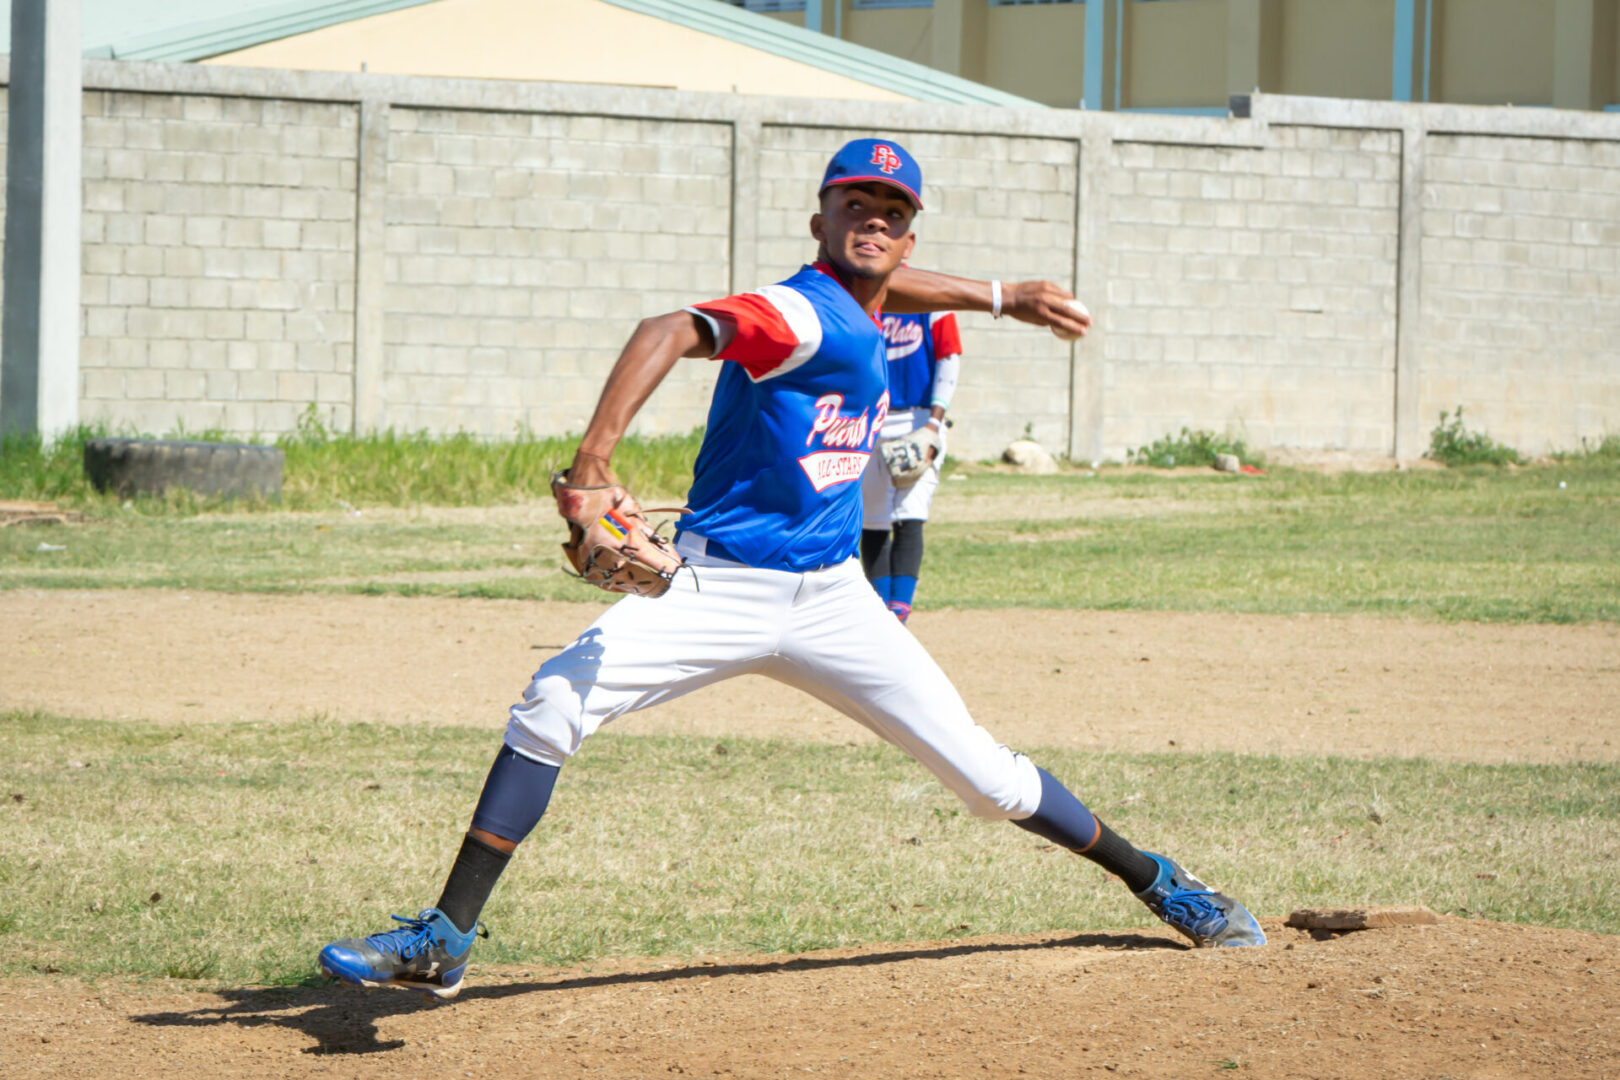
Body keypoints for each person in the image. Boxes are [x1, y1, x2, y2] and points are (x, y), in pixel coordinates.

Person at [317, 138, 1264, 1001]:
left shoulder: (864, 303)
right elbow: (665, 330)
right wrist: (595, 465)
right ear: (821, 221)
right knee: (553, 702)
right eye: (857, 206)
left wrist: (1000, 296)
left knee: (989, 782)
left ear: (906, 232)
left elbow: (889, 287)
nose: (876, 223)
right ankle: (446, 936)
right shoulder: (793, 312)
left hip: (832, 600)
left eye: (893, 211)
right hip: (713, 587)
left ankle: (1161, 883)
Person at [862, 306, 962, 622]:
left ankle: (899, 611)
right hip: (870, 420)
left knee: (910, 514)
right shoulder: (861, 297)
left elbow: (949, 358)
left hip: (918, 419)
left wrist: (934, 422)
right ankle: (882, 611)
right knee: (873, 519)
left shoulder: (931, 301)